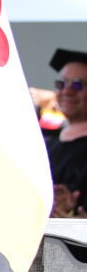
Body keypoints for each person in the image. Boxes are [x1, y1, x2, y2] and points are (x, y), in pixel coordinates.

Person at [46, 48, 87, 217]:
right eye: (61, 84)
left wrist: (73, 218)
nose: (67, 91)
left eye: (77, 84)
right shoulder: (46, 144)